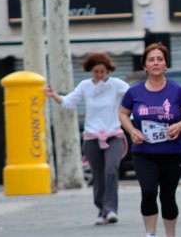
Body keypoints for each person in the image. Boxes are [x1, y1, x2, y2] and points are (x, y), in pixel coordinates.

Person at [44, 52, 129, 226]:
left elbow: (134, 95)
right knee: (98, 176)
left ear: (108, 70)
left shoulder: (117, 85)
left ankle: (111, 209)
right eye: (96, 71)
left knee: (111, 170)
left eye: (103, 71)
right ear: (91, 71)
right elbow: (68, 102)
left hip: (113, 135)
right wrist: (54, 96)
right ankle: (101, 209)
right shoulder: (85, 86)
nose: (100, 75)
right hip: (91, 138)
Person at [120, 42, 181, 237]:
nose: (156, 63)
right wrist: (131, 130)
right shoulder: (134, 92)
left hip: (173, 152)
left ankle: (170, 234)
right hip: (144, 153)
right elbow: (122, 113)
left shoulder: (177, 90)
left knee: (168, 196)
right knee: (149, 192)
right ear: (144, 66)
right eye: (151, 60)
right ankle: (150, 233)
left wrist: (179, 126)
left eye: (160, 59)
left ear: (165, 64)